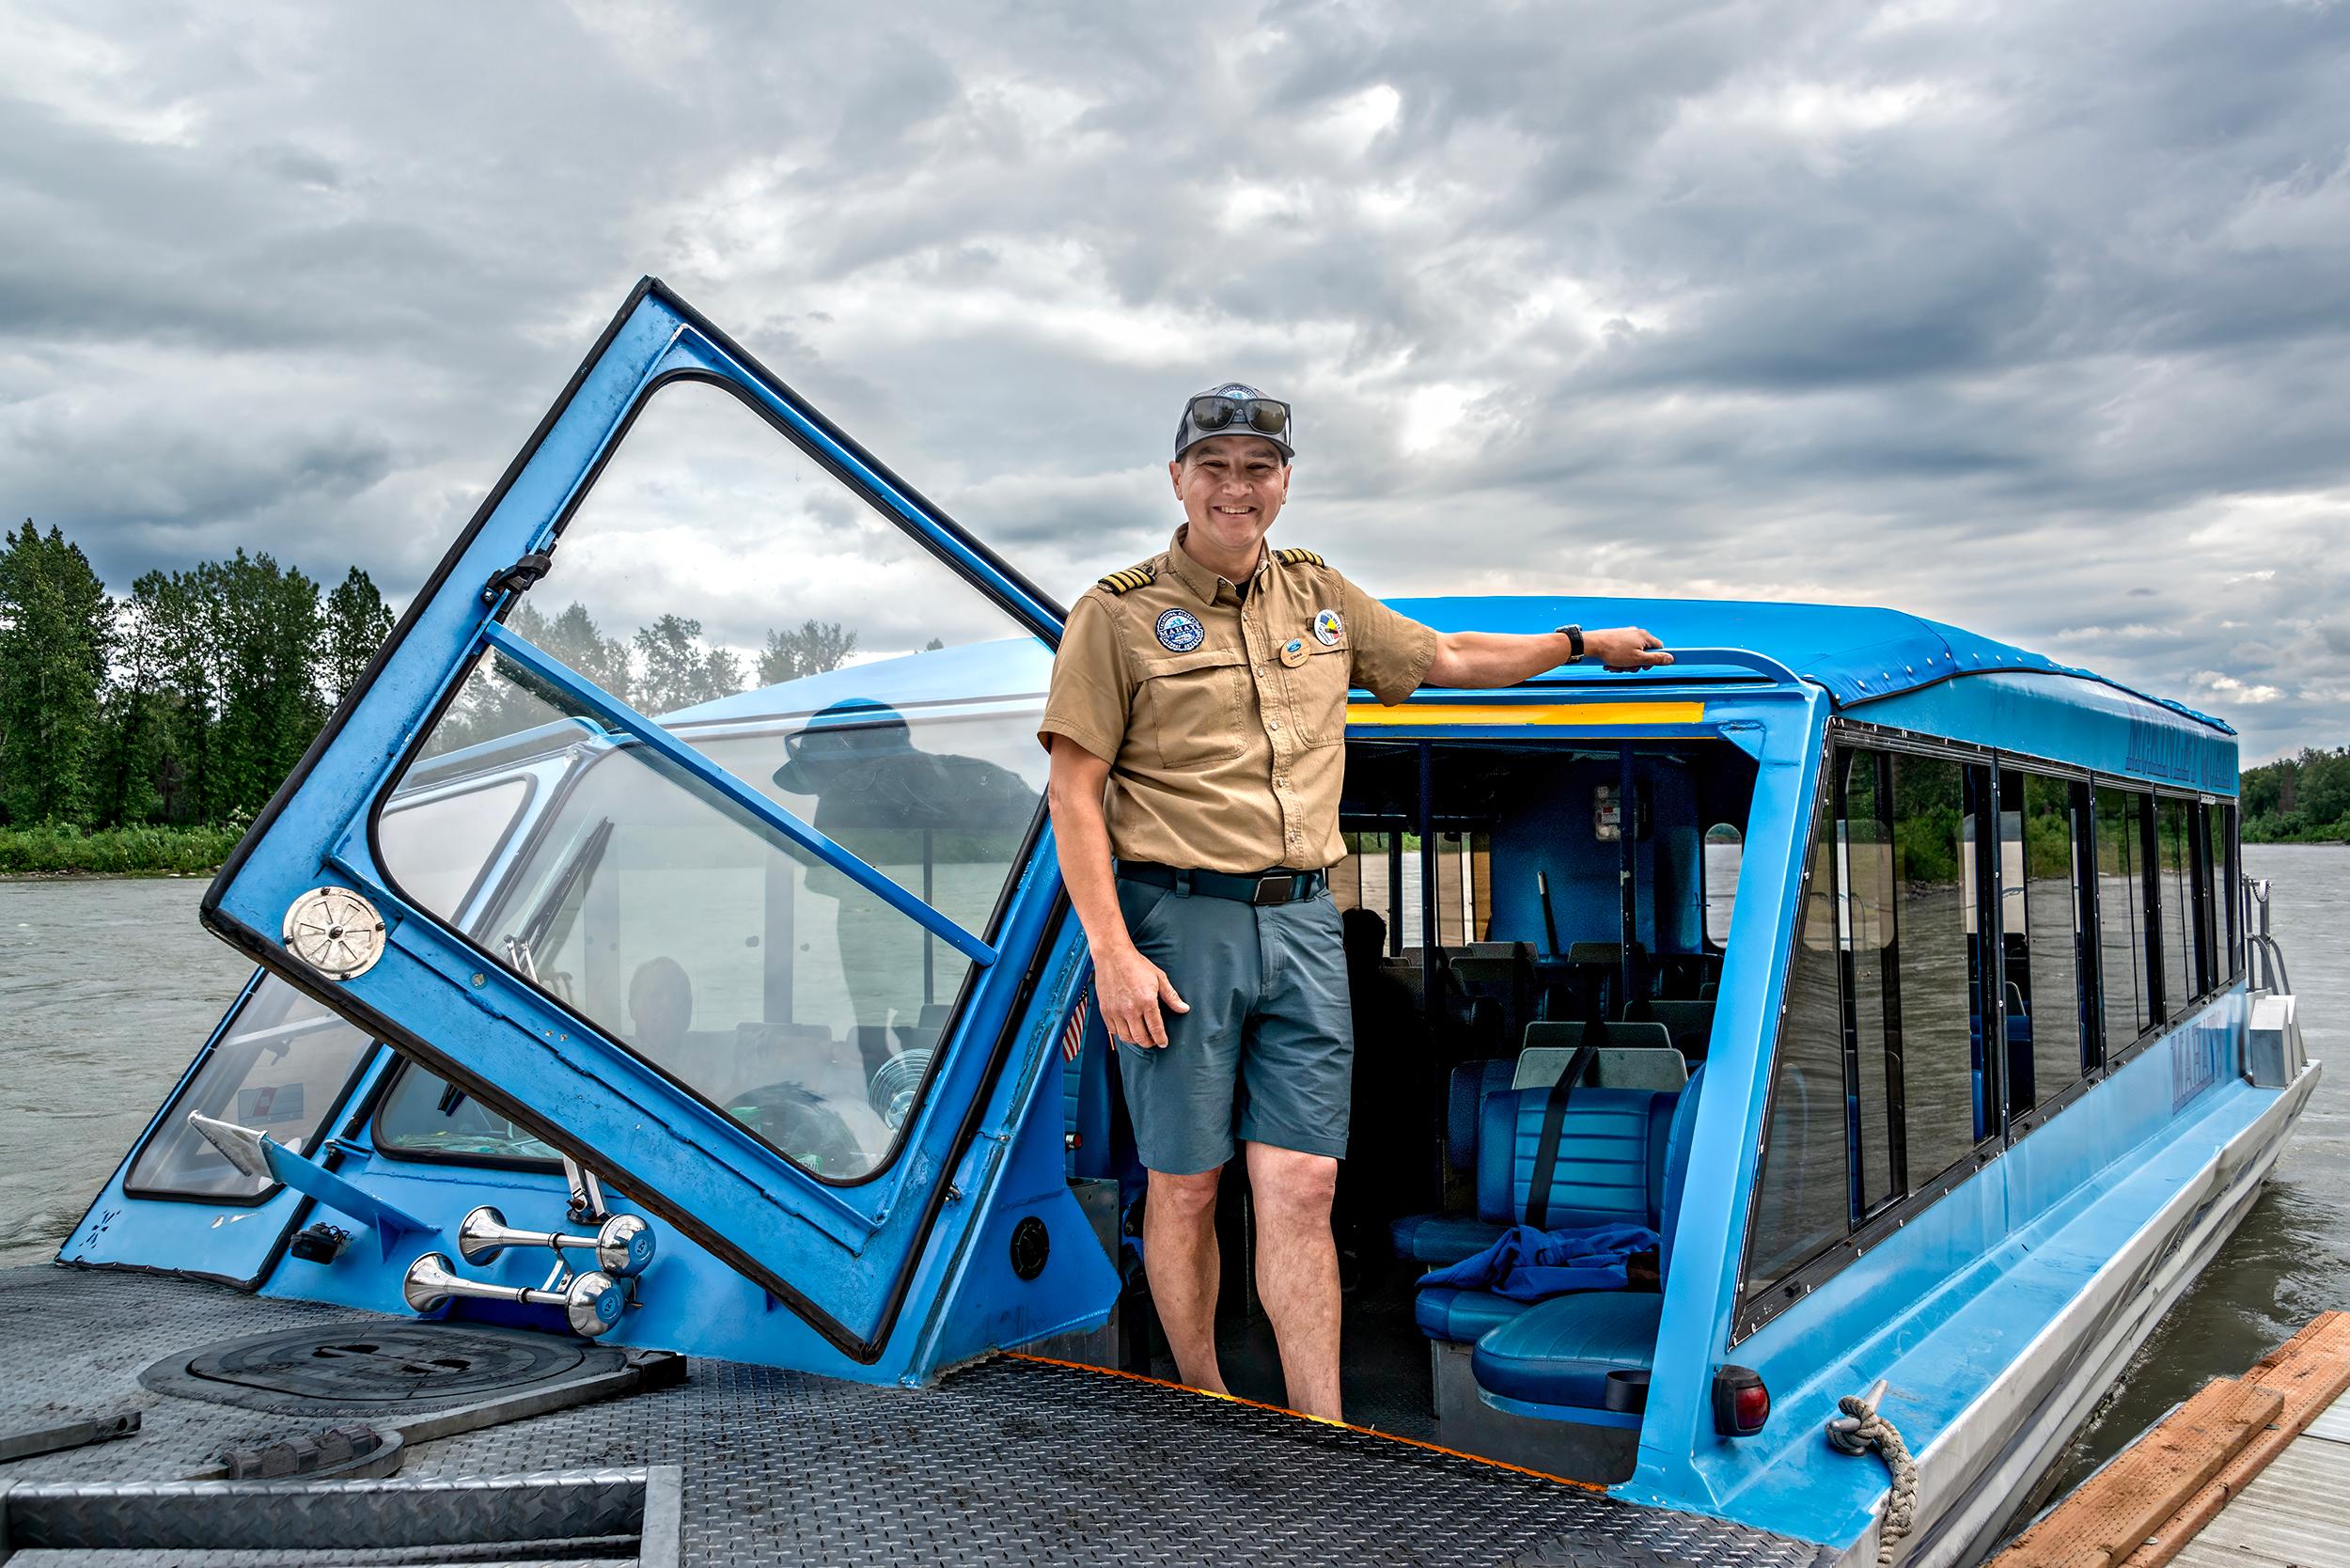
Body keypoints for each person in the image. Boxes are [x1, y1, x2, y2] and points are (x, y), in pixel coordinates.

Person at [1037, 383, 1672, 1419]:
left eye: (1257, 468)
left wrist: (1578, 643)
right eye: (1215, 467)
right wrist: (1112, 953)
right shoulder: (1115, 616)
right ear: (1177, 480)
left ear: (1283, 483)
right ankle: (1205, 1400)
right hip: (1177, 923)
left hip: (1301, 926)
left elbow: (1448, 659)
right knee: (1188, 1186)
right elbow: (1073, 790)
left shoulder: (1320, 596)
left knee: (1302, 1186)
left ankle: (1317, 1423)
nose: (1235, 488)